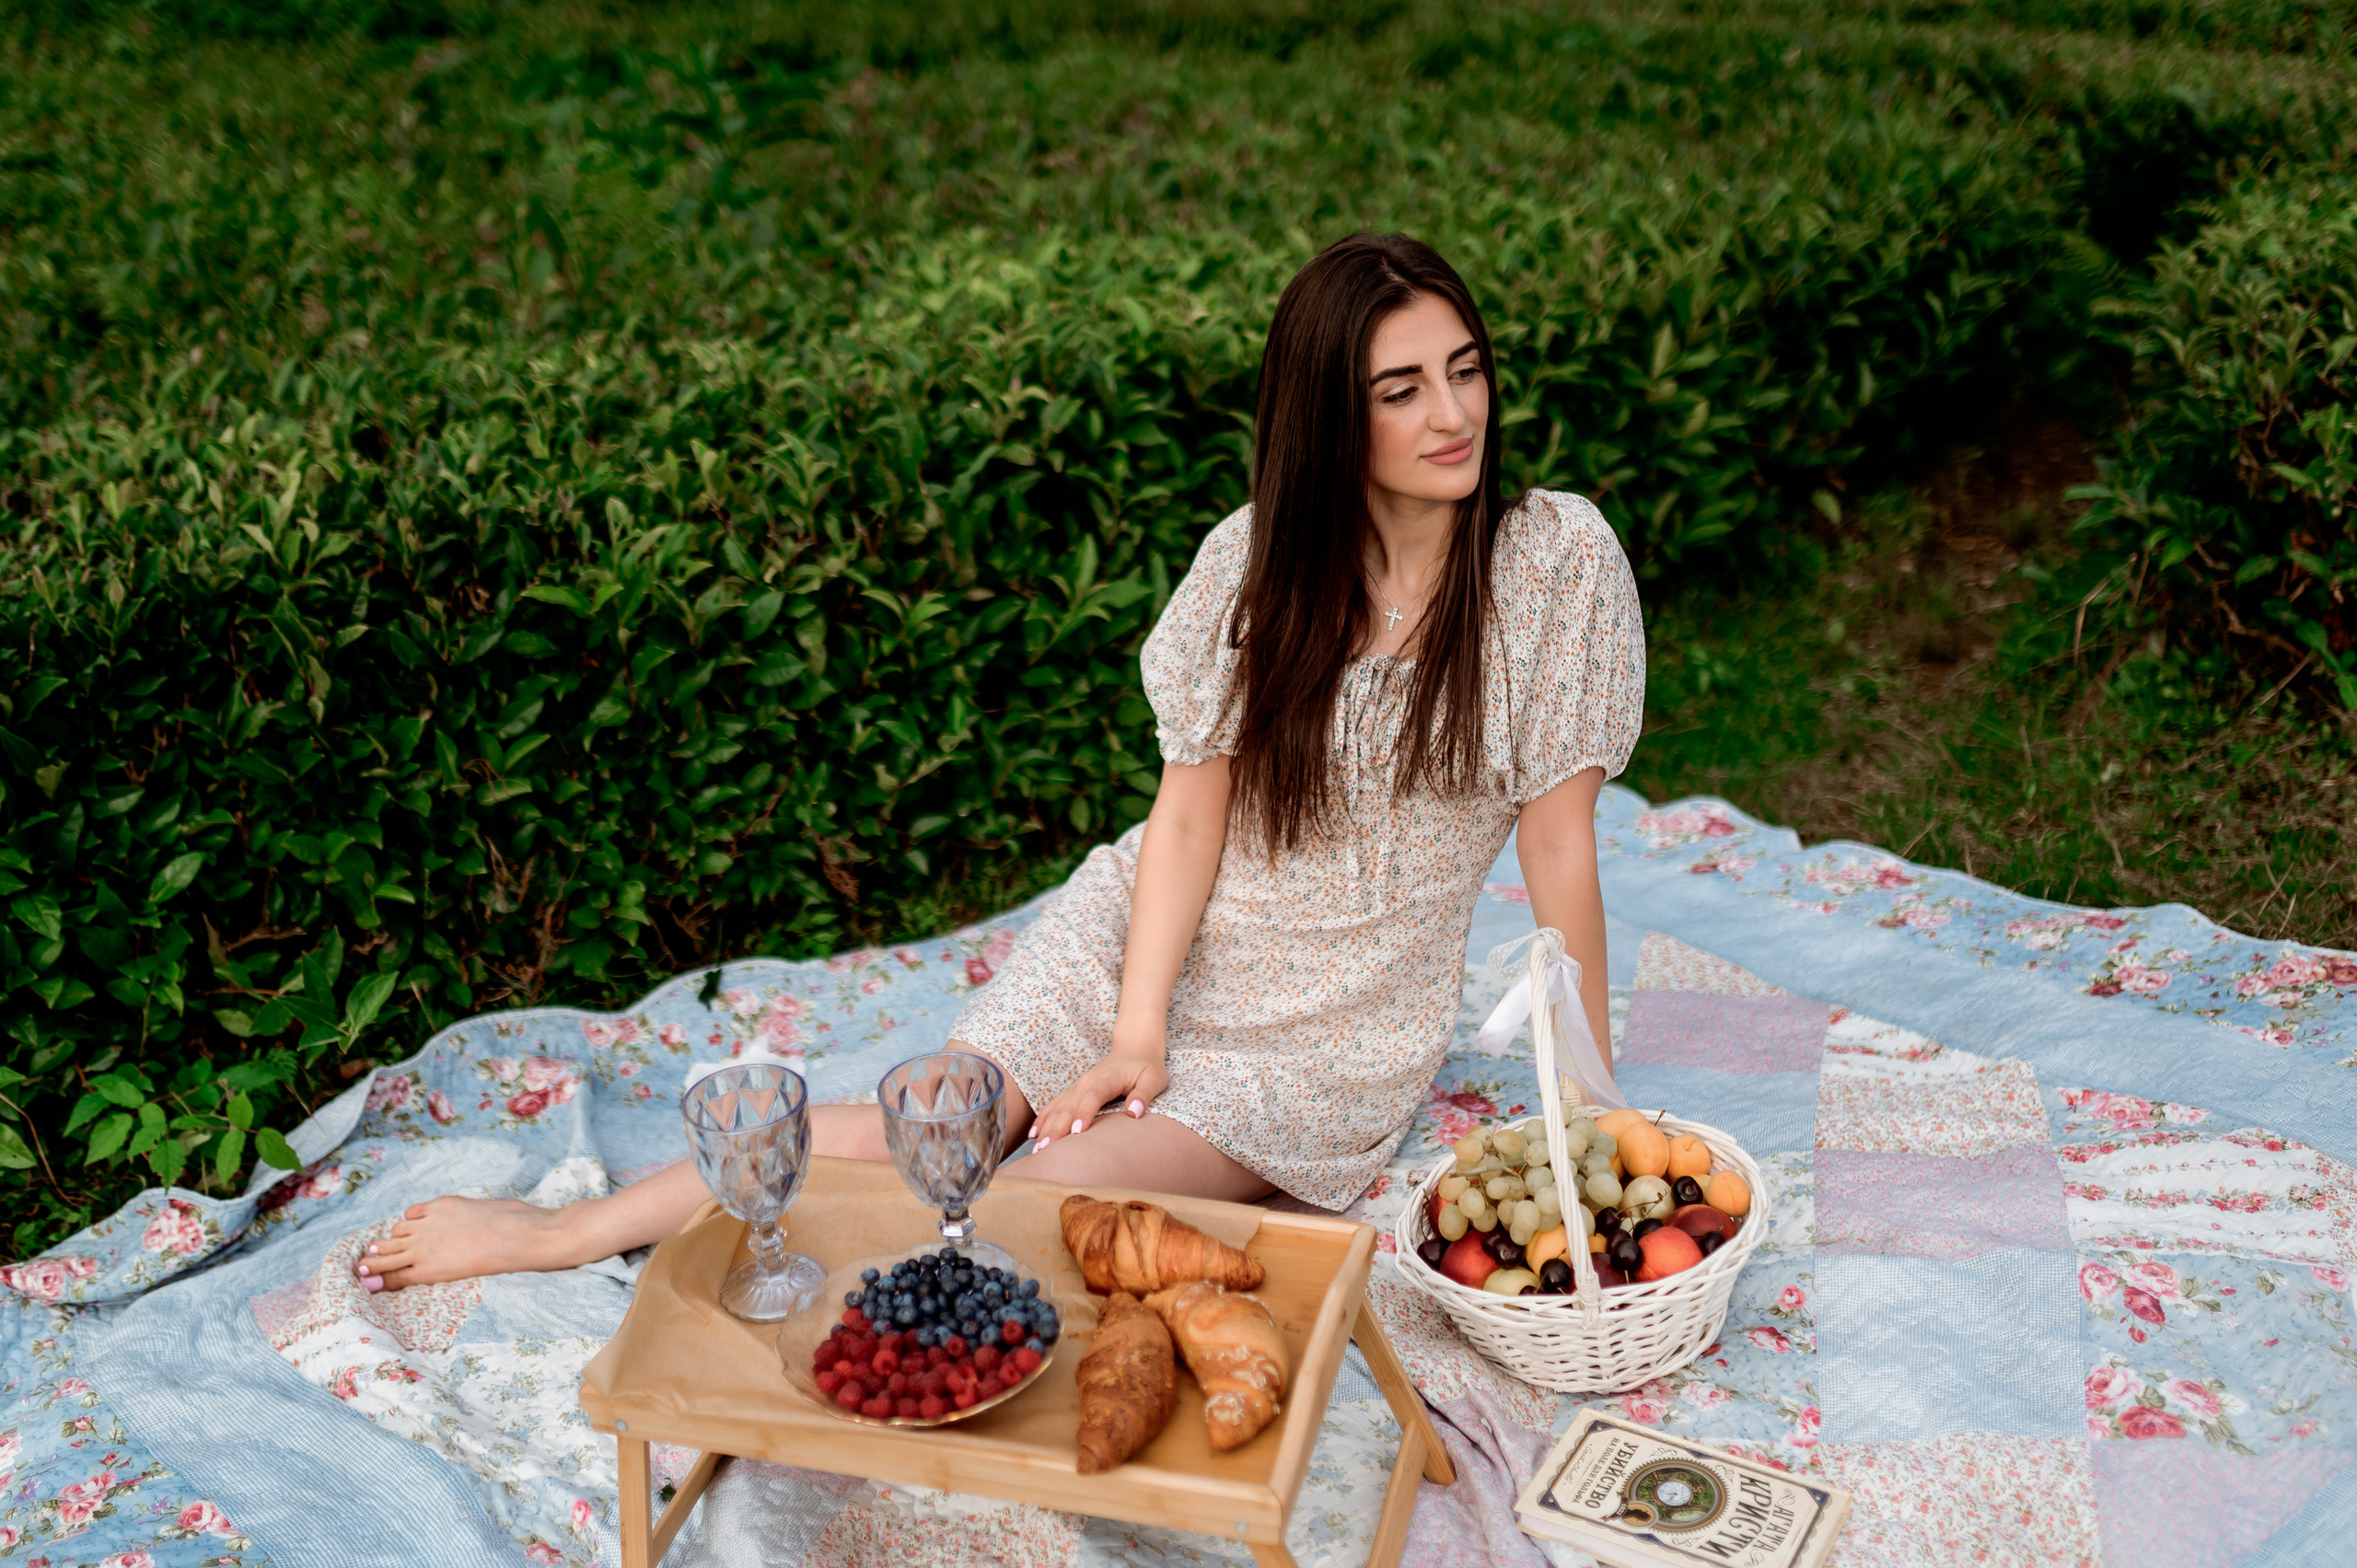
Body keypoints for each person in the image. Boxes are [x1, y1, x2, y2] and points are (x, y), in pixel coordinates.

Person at [355, 232, 1643, 1293]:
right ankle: (564, 1233)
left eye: (1465, 370)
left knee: (1026, 1204)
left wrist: (1586, 1101)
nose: (1454, 413)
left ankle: (725, 1258)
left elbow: (1556, 851)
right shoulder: (1256, 568)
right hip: (1152, 932)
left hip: (1328, 1035)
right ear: (1328, 416)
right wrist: (1137, 1031)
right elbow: (1188, 821)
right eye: (1402, 389)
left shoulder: (1554, 566)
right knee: (946, 1123)